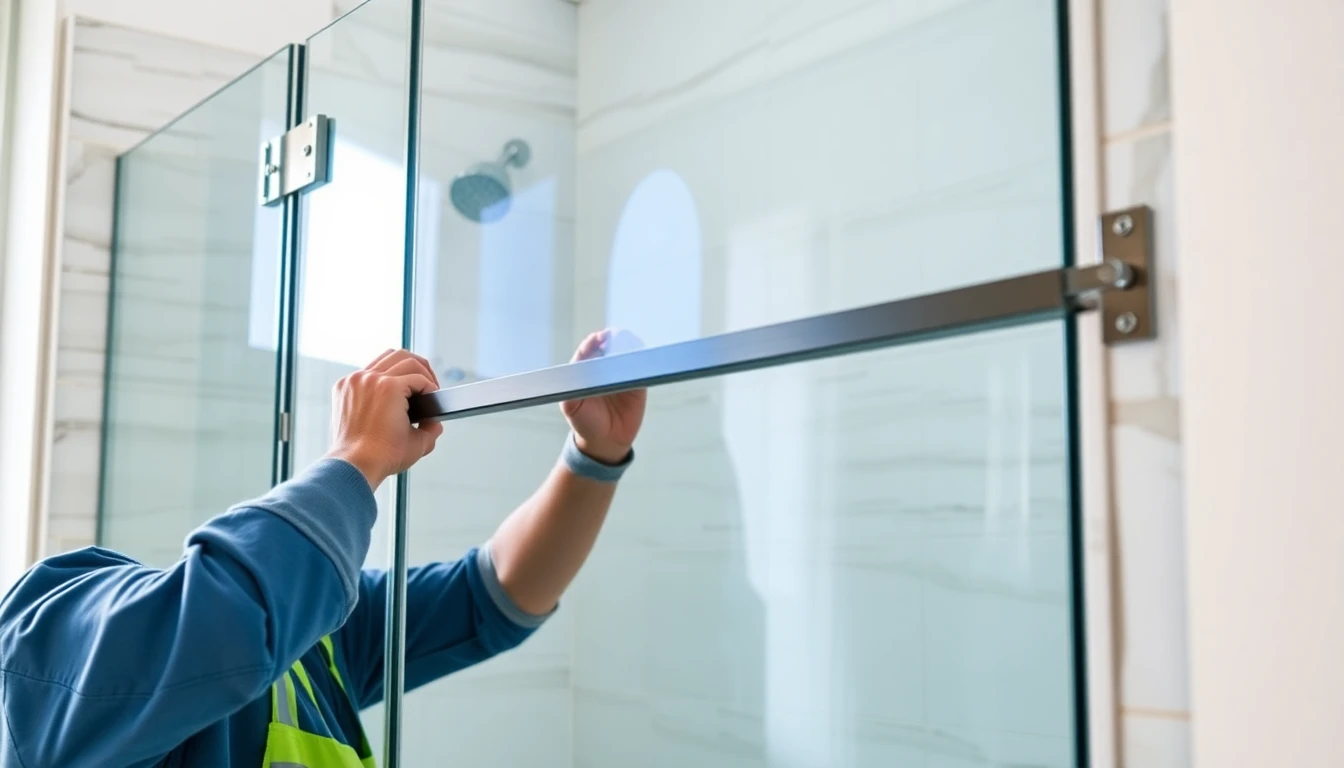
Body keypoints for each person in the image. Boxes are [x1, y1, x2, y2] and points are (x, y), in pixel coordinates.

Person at [0, 333, 647, 768]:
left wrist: (595, 458)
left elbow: (494, 599)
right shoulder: (43, 635)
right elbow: (225, 623)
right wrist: (355, 458)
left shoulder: (318, 639)